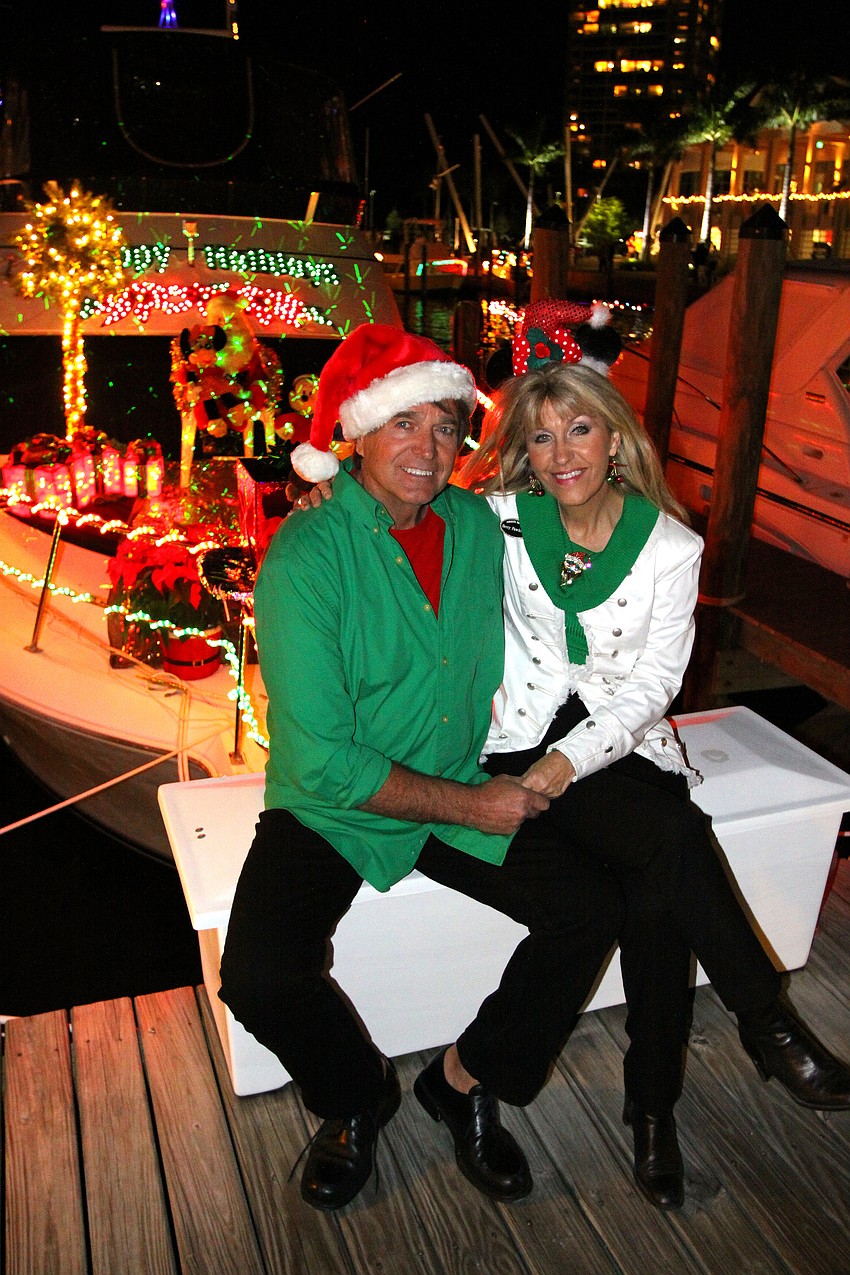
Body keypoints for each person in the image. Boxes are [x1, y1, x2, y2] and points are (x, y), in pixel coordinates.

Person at [218, 323, 625, 1213]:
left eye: (445, 425)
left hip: (451, 774)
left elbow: (586, 508)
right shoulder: (307, 553)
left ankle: (466, 1079)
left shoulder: (478, 524)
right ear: (357, 434)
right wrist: (476, 807)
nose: (428, 447)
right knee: (256, 973)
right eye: (403, 423)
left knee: (590, 907)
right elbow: (322, 758)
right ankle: (357, 1097)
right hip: (340, 805)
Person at [457, 346, 850, 1210]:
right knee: (669, 849)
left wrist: (569, 761)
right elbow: (402, 520)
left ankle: (661, 1104)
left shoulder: (670, 546)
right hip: (515, 737)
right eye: (544, 435)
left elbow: (650, 687)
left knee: (655, 887)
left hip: (616, 747)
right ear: (524, 447)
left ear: (614, 438)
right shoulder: (498, 518)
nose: (562, 453)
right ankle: (748, 1037)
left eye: (580, 429)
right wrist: (331, 490)